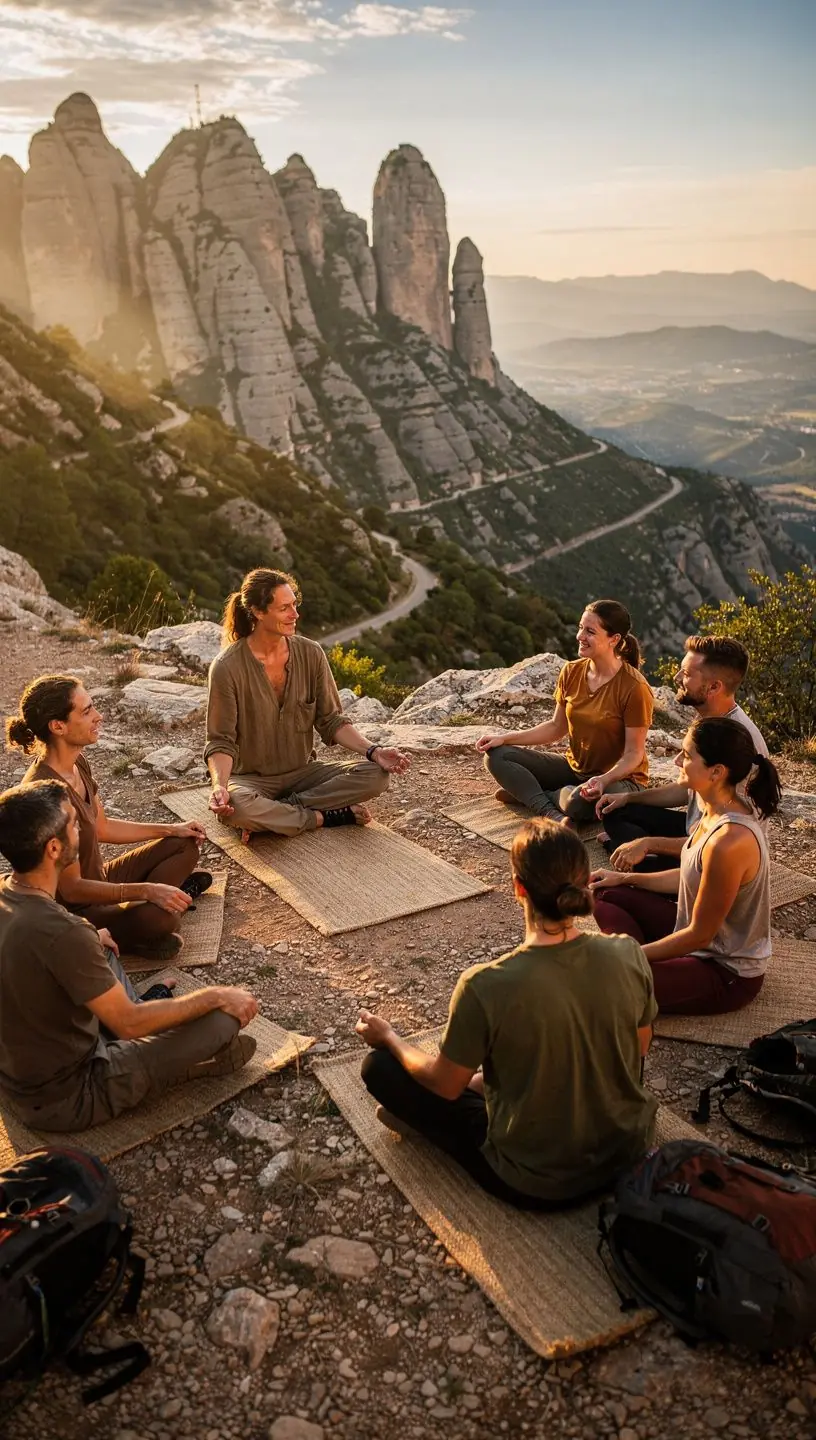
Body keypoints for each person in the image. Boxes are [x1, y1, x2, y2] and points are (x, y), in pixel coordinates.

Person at [357, 819, 657, 1208]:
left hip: (538, 1182)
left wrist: (391, 1039)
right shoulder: (627, 952)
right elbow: (639, 1048)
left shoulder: (485, 984)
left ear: (518, 888)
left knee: (380, 1067)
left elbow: (445, 1085)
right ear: (585, 883)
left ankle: (428, 1118)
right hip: (628, 1154)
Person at [0, 780, 258, 1132]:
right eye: (74, 824)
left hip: (18, 1073)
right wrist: (216, 995)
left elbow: (38, 947)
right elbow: (130, 1024)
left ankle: (151, 1035)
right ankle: (172, 1069)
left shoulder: (10, 891)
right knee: (222, 1020)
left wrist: (91, 936)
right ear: (54, 848)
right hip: (70, 1094)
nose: (82, 830)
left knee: (100, 946)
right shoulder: (65, 933)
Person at [6, 674, 209, 962]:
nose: (98, 716)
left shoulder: (78, 762)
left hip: (100, 879)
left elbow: (103, 827)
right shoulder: (46, 795)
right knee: (163, 919)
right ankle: (139, 925)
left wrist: (172, 829)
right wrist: (147, 890)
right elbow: (71, 890)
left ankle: (157, 905)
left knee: (185, 844)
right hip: (76, 909)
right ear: (58, 726)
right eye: (86, 711)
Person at [591, 716, 780, 1016]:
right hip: (695, 937)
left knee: (607, 981)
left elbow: (699, 936)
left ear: (717, 772)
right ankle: (643, 964)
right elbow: (690, 875)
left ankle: (635, 965)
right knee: (604, 892)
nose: (677, 760)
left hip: (723, 970)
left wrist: (630, 955)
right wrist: (623, 878)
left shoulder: (730, 839)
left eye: (687, 755)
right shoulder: (712, 811)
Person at [206, 568, 411, 838]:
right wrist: (220, 786)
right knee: (236, 806)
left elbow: (332, 721)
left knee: (376, 776)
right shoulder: (226, 667)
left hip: (303, 774)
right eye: (284, 608)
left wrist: (374, 752)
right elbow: (220, 741)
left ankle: (277, 815)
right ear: (257, 611)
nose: (295, 614)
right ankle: (324, 816)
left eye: (295, 605)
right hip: (251, 780)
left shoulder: (311, 653)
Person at [597, 636, 768, 872]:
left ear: (714, 687)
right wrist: (628, 798)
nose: (677, 678)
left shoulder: (735, 743)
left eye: (686, 674)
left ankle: (639, 859)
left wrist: (648, 843)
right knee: (616, 811)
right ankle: (635, 853)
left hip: (717, 849)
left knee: (643, 858)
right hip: (694, 830)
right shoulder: (708, 720)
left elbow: (723, 837)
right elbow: (686, 790)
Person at [476, 600, 653, 826]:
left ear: (614, 639)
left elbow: (634, 754)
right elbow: (556, 727)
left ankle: (533, 796)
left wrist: (603, 780)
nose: (580, 636)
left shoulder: (634, 687)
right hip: (574, 769)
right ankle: (551, 809)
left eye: (590, 632)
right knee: (497, 756)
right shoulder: (571, 671)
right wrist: (504, 738)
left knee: (577, 802)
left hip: (619, 780)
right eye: (580, 628)